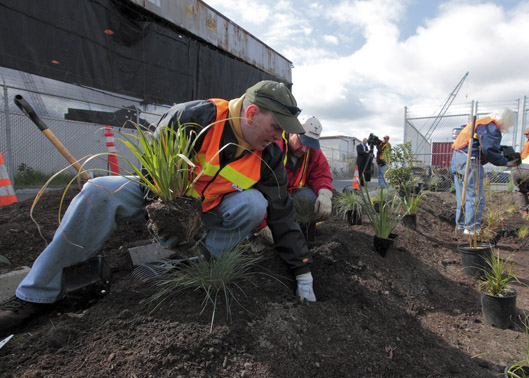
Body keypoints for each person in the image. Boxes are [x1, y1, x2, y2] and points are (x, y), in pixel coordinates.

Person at [0, 80, 317, 332]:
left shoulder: (270, 154)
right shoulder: (195, 116)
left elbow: (281, 211)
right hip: (158, 200)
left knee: (254, 203)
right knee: (99, 190)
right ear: (250, 115)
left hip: (209, 210)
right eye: (276, 128)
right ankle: (35, 294)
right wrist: (162, 216)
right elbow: (154, 171)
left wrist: (302, 270)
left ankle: (200, 261)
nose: (279, 137)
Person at [254, 116, 333, 243]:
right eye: (302, 142)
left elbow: (321, 174)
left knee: (308, 198)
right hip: (268, 196)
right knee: (254, 204)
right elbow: (258, 186)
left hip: (288, 197)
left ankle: (300, 234)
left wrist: (324, 192)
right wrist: (261, 225)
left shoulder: (311, 151)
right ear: (292, 132)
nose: (304, 149)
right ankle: (256, 236)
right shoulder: (275, 145)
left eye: (309, 146)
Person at [450, 108, 520, 235]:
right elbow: (489, 150)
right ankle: (471, 229)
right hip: (470, 159)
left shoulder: (481, 122)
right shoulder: (490, 126)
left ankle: (461, 227)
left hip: (457, 158)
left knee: (463, 196)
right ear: (505, 120)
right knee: (476, 196)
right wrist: (505, 162)